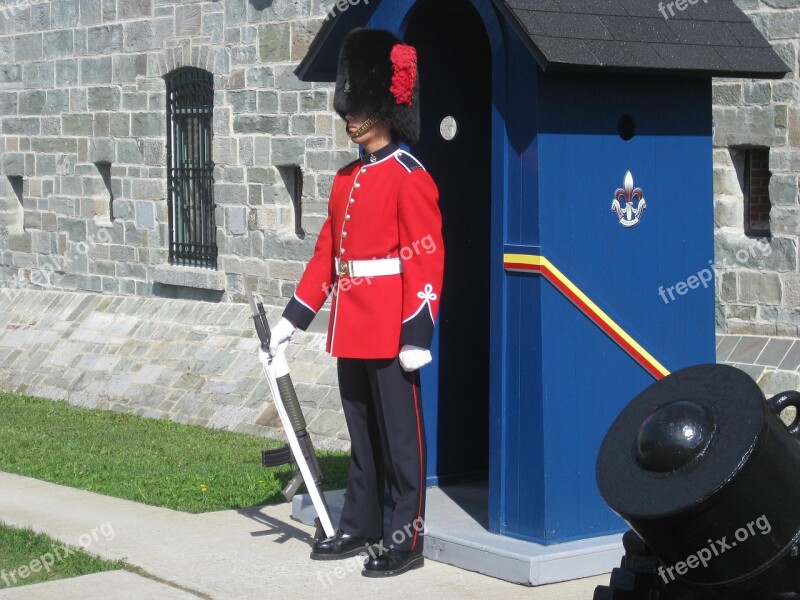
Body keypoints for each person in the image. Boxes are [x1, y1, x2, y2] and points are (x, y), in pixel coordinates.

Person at [265, 28, 444, 578]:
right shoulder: (346, 179)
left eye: (359, 107)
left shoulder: (410, 176)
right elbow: (328, 255)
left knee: (400, 439)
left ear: (382, 109)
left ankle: (405, 536)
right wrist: (294, 318)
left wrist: (417, 335)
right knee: (361, 432)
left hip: (392, 325)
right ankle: (362, 522)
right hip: (352, 324)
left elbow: (427, 260)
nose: (350, 117)